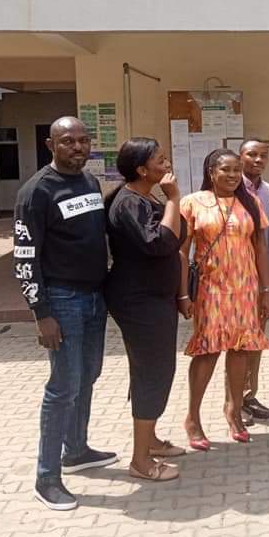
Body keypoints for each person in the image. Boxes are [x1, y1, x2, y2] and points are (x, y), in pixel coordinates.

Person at [13, 116, 116, 511]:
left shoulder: (89, 182)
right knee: (63, 387)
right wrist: (41, 313)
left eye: (83, 140)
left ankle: (76, 450)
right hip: (62, 300)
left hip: (94, 298)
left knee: (88, 375)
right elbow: (25, 258)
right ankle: (47, 477)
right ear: (50, 145)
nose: (77, 147)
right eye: (68, 141)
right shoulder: (36, 192)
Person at [181, 149, 269, 447]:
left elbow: (260, 247)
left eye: (236, 170)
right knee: (207, 352)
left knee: (241, 349)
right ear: (211, 172)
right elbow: (182, 252)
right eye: (226, 169)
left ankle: (234, 410)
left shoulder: (251, 202)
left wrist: (266, 289)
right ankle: (193, 418)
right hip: (211, 289)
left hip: (245, 288)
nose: (233, 175)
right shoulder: (192, 202)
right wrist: (182, 294)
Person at [105, 138, 185, 481]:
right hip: (140, 301)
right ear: (141, 169)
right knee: (153, 372)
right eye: (160, 160)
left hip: (155, 298)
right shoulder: (128, 203)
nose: (167, 164)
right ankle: (140, 461)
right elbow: (161, 242)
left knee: (154, 370)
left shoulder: (144, 197)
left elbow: (175, 238)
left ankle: (150, 440)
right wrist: (175, 199)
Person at [238, 138, 269, 422]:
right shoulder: (230, 188)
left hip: (265, 280)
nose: (258, 160)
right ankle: (235, 399)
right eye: (251, 154)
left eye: (263, 155)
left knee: (256, 339)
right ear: (240, 156)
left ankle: (249, 395)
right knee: (238, 343)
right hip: (236, 280)